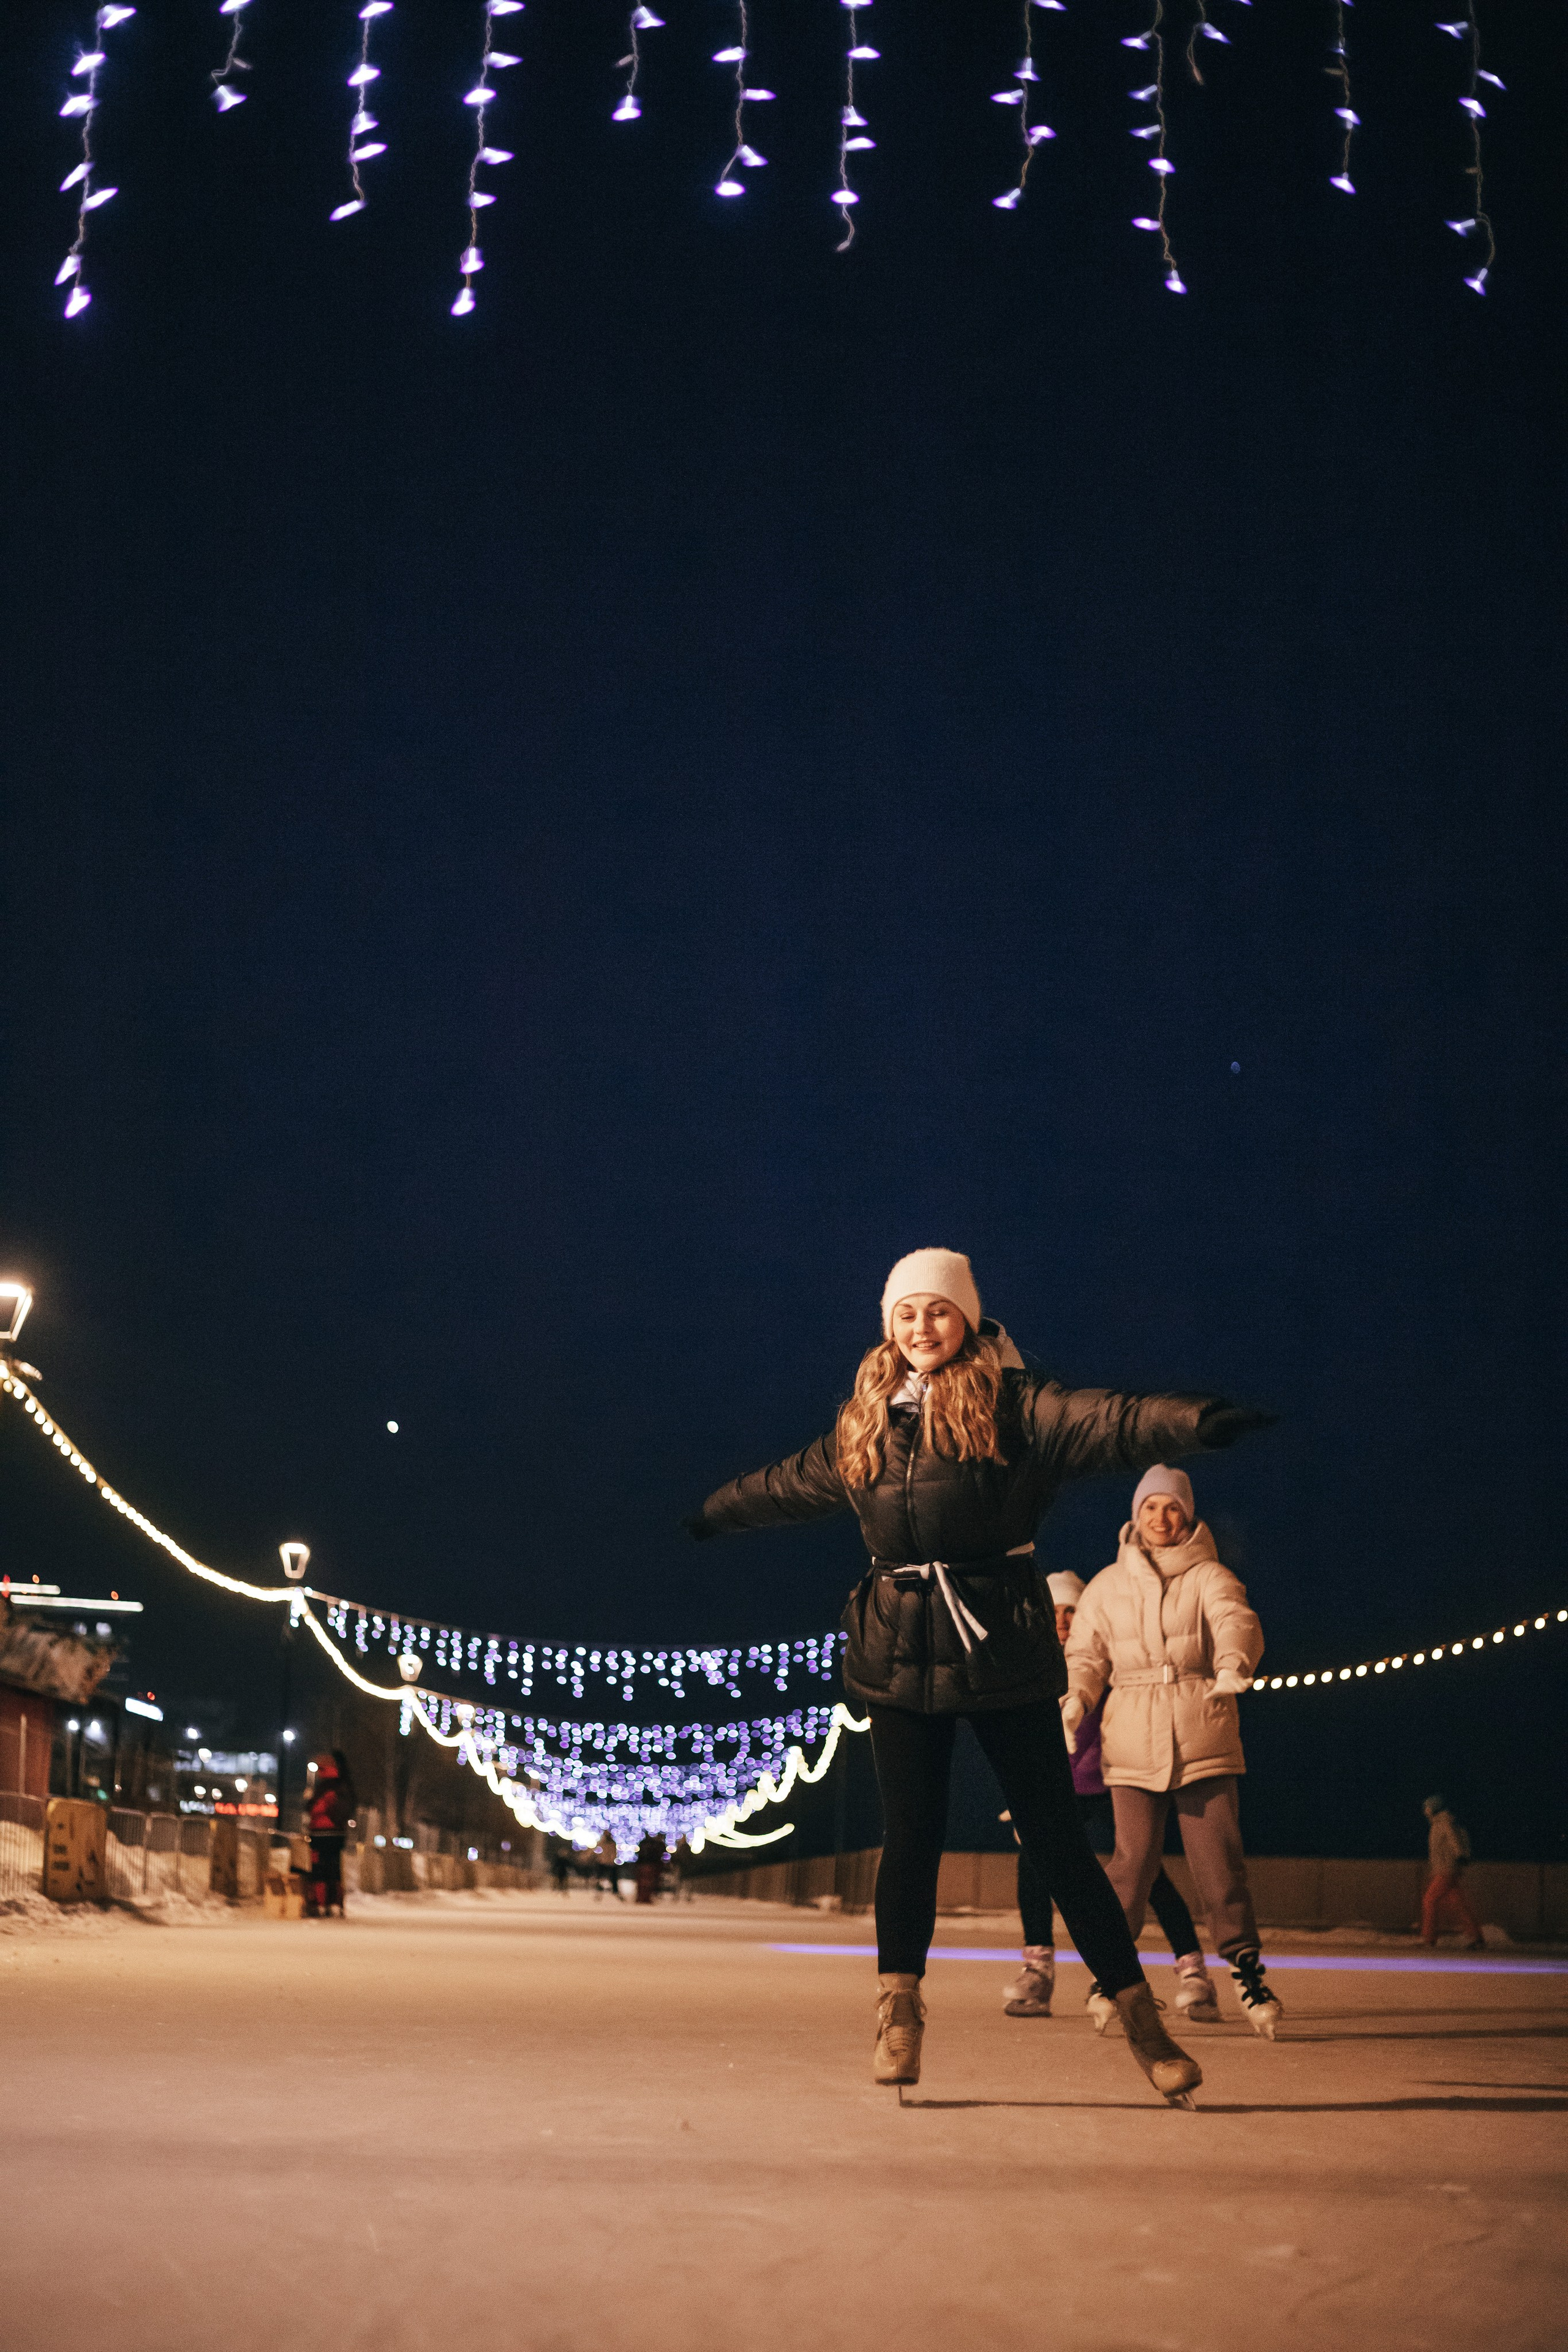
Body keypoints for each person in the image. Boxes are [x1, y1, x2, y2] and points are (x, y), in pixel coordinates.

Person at [685, 1245, 1273, 2104]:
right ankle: (899, 2014)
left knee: (1059, 1842)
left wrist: (1197, 1420)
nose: (923, 1327)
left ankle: (1143, 2021)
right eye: (907, 1313)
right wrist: (713, 1512)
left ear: (968, 1319)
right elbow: (787, 1483)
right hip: (894, 1648)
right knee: (910, 1839)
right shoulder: (866, 1420)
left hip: (1000, 1641)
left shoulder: (1016, 1406)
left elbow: (1109, 1421)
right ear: (889, 1324)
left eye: (939, 1311)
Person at [1065, 1465, 1282, 2037]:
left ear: (1188, 1516)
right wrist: (1077, 1698)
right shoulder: (1108, 1585)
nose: (1161, 1519)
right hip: (1132, 1736)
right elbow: (1086, 1654)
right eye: (1151, 1507)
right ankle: (1109, 1975)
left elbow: (1236, 1620)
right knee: (1130, 1866)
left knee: (1219, 1863)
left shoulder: (1210, 1574)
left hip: (1201, 1726)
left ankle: (1245, 1970)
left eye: (1173, 1509)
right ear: (1136, 1515)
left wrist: (1234, 1662)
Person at [1003, 1570, 1214, 2023]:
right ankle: (1037, 1969)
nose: (1061, 1621)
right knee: (1034, 1866)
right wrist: (1021, 1794)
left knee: (1146, 1873)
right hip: (1058, 1791)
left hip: (1110, 1783)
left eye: (1071, 1611)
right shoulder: (1032, 1668)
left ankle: (1193, 1971)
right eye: (1054, 1612)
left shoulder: (1101, 1664)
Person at [1420, 1794, 1483, 1948]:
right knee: (1459, 1904)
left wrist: (1460, 1855)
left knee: (1429, 1901)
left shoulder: (1443, 1823)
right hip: (1446, 1870)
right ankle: (1476, 1938)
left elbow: (1453, 1839)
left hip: (1446, 1870)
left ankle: (1429, 1939)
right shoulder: (1440, 1823)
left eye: (1427, 1808)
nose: (1425, 1812)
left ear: (1433, 1809)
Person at [304, 1749, 356, 1919]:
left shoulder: (326, 1787)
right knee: (334, 1870)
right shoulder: (344, 1786)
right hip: (337, 1835)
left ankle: (320, 1904)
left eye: (320, 1769)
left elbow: (316, 1808)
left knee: (319, 1870)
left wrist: (311, 1802)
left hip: (321, 1834)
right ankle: (336, 1904)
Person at [635, 1828, 666, 1905]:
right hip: (651, 1864)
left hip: (644, 1864)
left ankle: (642, 1897)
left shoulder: (644, 1843)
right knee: (648, 1882)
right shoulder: (656, 1844)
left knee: (643, 1882)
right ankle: (645, 1898)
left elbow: (639, 1854)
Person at [593, 1828, 625, 1899]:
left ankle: (615, 1891)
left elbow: (614, 1853)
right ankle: (599, 1892)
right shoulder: (603, 1843)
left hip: (611, 1864)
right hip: (604, 1863)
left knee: (613, 1879)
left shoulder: (612, 1843)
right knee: (601, 1879)